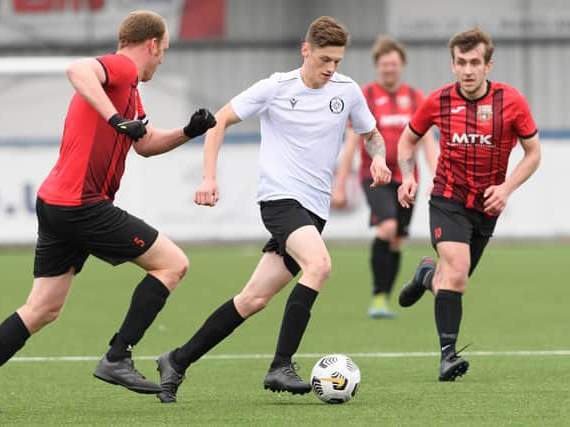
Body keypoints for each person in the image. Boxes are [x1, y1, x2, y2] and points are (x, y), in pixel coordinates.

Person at [0, 10, 216, 414]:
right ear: (152, 44)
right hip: (80, 203)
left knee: (43, 308)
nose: (162, 60)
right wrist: (116, 119)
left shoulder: (130, 89)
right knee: (172, 264)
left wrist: (188, 132)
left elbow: (144, 142)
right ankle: (118, 357)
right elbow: (77, 69)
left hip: (56, 202)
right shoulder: (120, 68)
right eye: (164, 52)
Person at [154, 16, 391, 403]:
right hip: (280, 200)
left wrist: (378, 159)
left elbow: (371, 134)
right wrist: (208, 178)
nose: (331, 68)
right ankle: (281, 364)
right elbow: (218, 122)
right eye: (324, 59)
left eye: (337, 61)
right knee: (320, 266)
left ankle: (176, 361)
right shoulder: (275, 87)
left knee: (252, 299)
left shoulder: (347, 92)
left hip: (313, 210)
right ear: (306, 50)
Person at [396, 27, 540, 381]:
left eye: (475, 62)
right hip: (448, 198)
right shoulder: (438, 101)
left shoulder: (512, 102)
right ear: (453, 65)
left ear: (489, 66)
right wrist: (408, 175)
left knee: (451, 281)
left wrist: (506, 188)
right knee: (457, 270)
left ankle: (425, 276)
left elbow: (533, 154)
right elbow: (407, 140)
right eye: (461, 62)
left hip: (487, 207)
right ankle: (447, 357)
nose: (468, 70)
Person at [332, 35, 437, 319]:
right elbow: (352, 142)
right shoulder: (365, 97)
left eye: (393, 64)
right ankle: (378, 295)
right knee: (387, 227)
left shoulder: (416, 98)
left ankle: (383, 300)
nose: (389, 69)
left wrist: (439, 176)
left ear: (401, 65)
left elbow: (427, 142)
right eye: (384, 64)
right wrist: (340, 185)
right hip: (374, 176)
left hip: (408, 178)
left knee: (397, 239)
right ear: (377, 66)